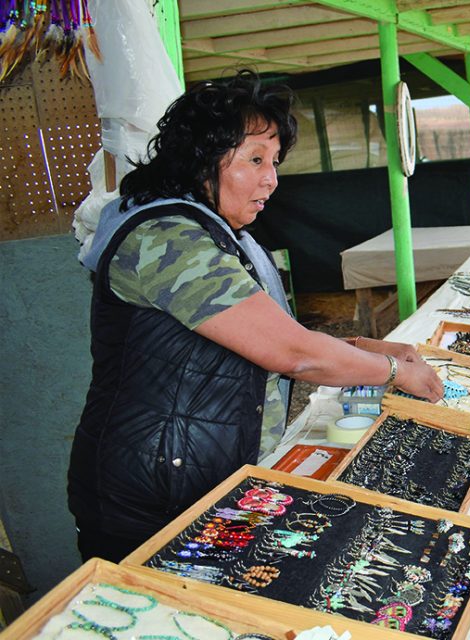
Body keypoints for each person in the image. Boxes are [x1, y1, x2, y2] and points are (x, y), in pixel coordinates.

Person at [68, 71, 445, 563]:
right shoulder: (167, 239)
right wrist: (392, 371)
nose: (272, 178)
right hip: (150, 499)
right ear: (201, 158)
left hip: (195, 477)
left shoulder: (216, 232)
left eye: (274, 161)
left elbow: (262, 334)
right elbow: (291, 353)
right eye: (255, 159)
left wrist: (360, 348)